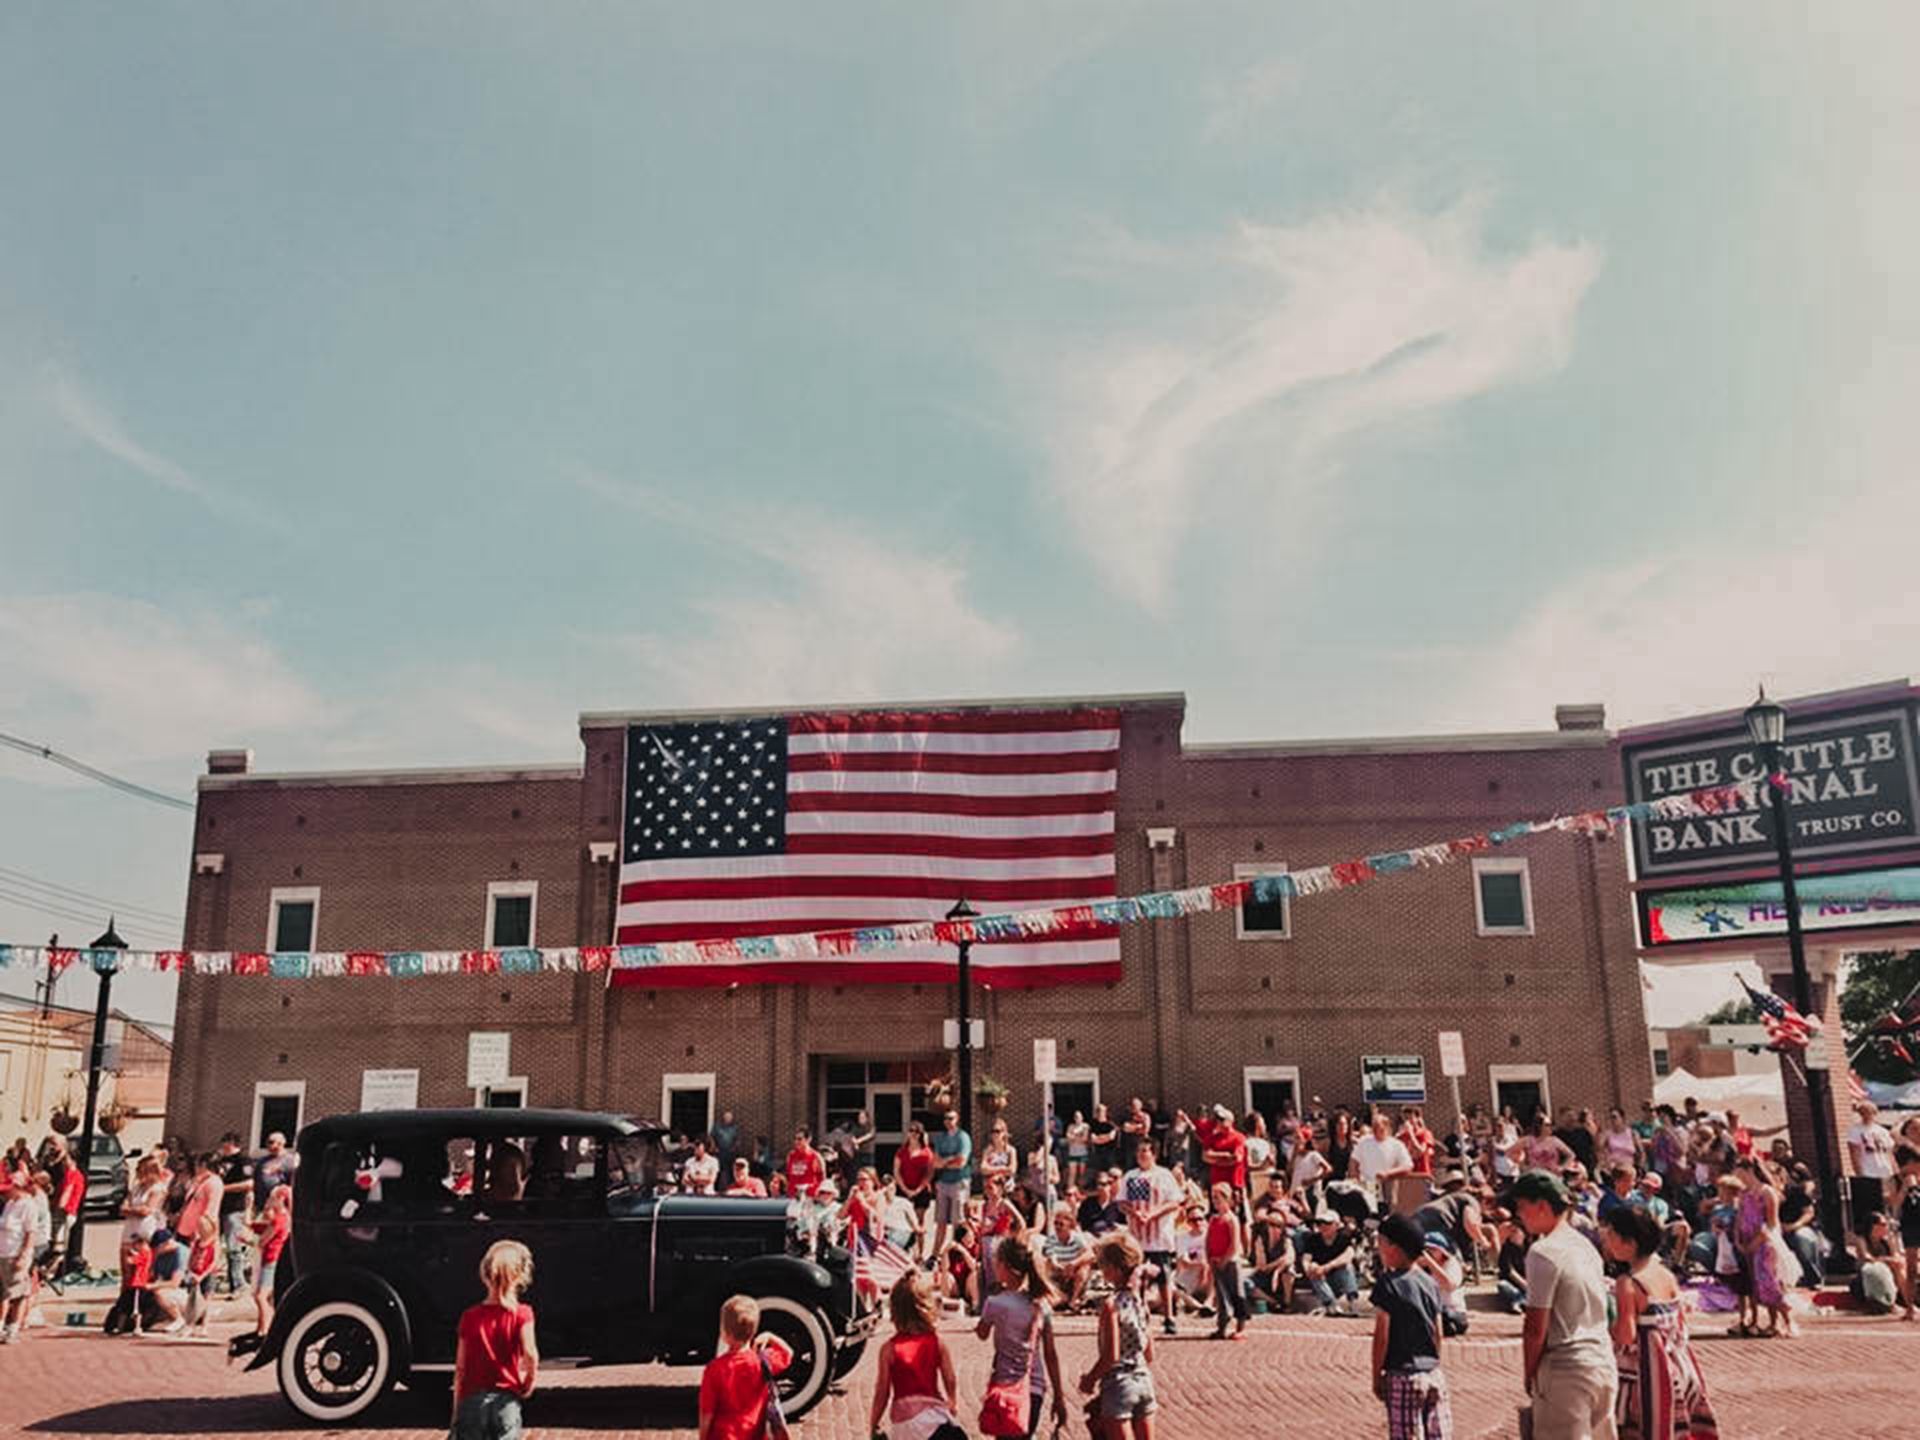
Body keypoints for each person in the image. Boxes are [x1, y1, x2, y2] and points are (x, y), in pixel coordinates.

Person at [1514, 1169, 1617, 1440]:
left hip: (1566, 1368)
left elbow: (1535, 1327)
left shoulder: (1543, 1252)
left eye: (1522, 1207)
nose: (1519, 1215)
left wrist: (1531, 1375)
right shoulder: (1585, 1246)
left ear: (1543, 1206)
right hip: (1602, 1362)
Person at [1599, 1206, 1717, 1439]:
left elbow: (1626, 1335)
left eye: (1612, 1234)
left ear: (1629, 1242)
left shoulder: (1629, 1283)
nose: (1607, 1240)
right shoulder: (1665, 1274)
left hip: (1647, 1378)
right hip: (1680, 1370)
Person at [977, 1233, 1068, 1440]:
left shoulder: (995, 1303)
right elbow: (1051, 1354)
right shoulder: (1041, 1305)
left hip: (1005, 1386)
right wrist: (1059, 1396)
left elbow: (982, 1333)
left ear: (1005, 1267)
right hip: (1034, 1386)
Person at [1371, 1212, 1453, 1440]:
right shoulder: (1430, 1283)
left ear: (1394, 1248)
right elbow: (1438, 1331)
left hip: (1402, 1374)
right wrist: (1435, 1362)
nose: (1379, 1249)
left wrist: (1376, 1376)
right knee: (1439, 1434)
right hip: (1433, 1373)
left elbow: (1382, 1336)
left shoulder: (1387, 1284)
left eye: (1381, 1243)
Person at [1078, 1231, 1157, 1440]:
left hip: (1119, 1384)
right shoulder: (1140, 1302)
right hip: (1143, 1380)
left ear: (1113, 1269)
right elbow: (1149, 1354)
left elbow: (1110, 1355)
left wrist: (1090, 1379)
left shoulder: (1111, 1305)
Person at [868, 1271, 959, 1440]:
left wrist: (874, 1422)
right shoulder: (937, 1343)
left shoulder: (889, 1349)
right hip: (932, 1415)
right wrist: (952, 1400)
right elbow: (950, 1377)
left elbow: (882, 1391)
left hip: (905, 1422)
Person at [699, 1294, 792, 1440]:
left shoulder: (714, 1369)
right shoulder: (763, 1361)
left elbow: (707, 1412)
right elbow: (788, 1353)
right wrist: (770, 1336)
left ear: (725, 1334)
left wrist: (703, 1437)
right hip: (755, 1434)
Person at [1122, 1137, 1182, 1337]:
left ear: (1153, 1154)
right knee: (1137, 1276)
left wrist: (1153, 1214)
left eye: (1146, 1151)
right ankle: (1140, 1313)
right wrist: (1134, 1213)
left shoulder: (1164, 1175)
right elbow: (1121, 1202)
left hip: (1158, 1236)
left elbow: (1174, 1202)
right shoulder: (1130, 1176)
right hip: (1137, 1236)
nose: (1142, 1154)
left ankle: (1169, 1317)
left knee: (1163, 1276)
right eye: (1139, 1151)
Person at [1732, 1158, 1799, 1338]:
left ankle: (1788, 1320)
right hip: (1748, 1241)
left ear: (1748, 1170)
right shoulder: (1744, 1193)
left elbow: (1771, 1222)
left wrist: (1758, 1240)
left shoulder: (1766, 1192)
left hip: (1765, 1243)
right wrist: (1738, 1238)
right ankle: (1772, 1322)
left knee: (1769, 1282)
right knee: (1757, 1285)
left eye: (1738, 1170)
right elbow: (1740, 1216)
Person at [929, 1109, 973, 1263]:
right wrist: (950, 1160)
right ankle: (935, 1255)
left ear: (957, 1119)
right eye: (946, 1118)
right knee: (940, 1222)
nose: (948, 1121)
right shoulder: (940, 1138)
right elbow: (935, 1163)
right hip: (943, 1182)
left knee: (957, 1220)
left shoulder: (963, 1137)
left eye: (951, 1118)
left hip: (959, 1181)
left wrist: (945, 1162)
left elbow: (961, 1162)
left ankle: (957, 1254)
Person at [1205, 1182, 1247, 1340]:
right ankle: (1221, 1326)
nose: (1215, 1201)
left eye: (1218, 1198)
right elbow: (1208, 1240)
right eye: (1213, 1198)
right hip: (1215, 1261)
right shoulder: (1213, 1219)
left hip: (1230, 1262)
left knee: (1236, 1293)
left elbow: (1234, 1243)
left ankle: (1240, 1326)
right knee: (1221, 1295)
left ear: (1227, 1198)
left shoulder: (1232, 1219)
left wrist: (1225, 1259)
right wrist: (1209, 1256)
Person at [214, 1131, 255, 1293]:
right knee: (214, 1246)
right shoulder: (219, 1161)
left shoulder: (243, 1161)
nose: (222, 1145)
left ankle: (237, 1284)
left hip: (233, 1208)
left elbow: (248, 1183)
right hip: (218, 1208)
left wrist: (223, 1188)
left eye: (225, 1142)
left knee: (233, 1248)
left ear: (232, 1143)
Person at [251, 1183, 292, 1340]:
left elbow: (263, 1241)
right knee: (267, 1297)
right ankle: (262, 1326)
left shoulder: (279, 1220)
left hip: (271, 1258)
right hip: (273, 1258)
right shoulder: (285, 1218)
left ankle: (265, 1329)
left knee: (261, 1296)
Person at [1848, 1211, 1909, 1317]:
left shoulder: (1887, 1240)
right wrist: (1887, 1260)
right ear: (1874, 1226)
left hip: (1889, 1274)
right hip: (1866, 1279)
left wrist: (1891, 1242)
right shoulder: (1862, 1240)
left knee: (1899, 1266)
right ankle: (1896, 1303)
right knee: (1883, 1269)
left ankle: (1907, 1301)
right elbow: (1867, 1258)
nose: (1886, 1227)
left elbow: (1896, 1256)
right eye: (1883, 1225)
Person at [1302, 1208, 1360, 1317]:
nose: (1323, 1226)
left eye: (1327, 1223)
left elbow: (1348, 1255)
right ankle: (1331, 1304)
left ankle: (1353, 1302)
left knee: (1347, 1267)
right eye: (1320, 1223)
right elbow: (1306, 1259)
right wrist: (1309, 1268)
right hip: (1321, 1280)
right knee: (1313, 1269)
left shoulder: (1344, 1239)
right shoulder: (1313, 1239)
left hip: (1339, 1278)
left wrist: (1326, 1267)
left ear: (1337, 1225)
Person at [1847, 1102, 1895, 1229]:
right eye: (1864, 1112)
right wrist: (1859, 1173)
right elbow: (1854, 1153)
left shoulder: (1883, 1131)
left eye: (1870, 1112)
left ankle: (1891, 1229)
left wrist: (1895, 1170)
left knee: (1889, 1203)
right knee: (1874, 1206)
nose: (1867, 1115)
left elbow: (1890, 1153)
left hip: (1885, 1171)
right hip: (1869, 1172)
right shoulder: (1856, 1131)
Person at [1043, 1206, 1096, 1311]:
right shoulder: (1051, 1239)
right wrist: (1057, 1265)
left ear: (1069, 1226)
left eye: (1061, 1224)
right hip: (1058, 1274)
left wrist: (1074, 1263)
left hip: (1074, 1274)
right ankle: (1062, 1298)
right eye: (1056, 1223)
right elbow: (1051, 1256)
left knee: (1085, 1267)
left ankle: (1073, 1299)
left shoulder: (1077, 1238)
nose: (1057, 1227)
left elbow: (1091, 1254)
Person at [0, 1176, 33, 1343]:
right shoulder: (10, 1204)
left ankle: (13, 1328)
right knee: (5, 1291)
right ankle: (3, 1326)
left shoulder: (28, 1205)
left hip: (16, 1252)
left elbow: (30, 1233)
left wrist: (24, 1255)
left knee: (18, 1292)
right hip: (3, 1252)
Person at [893, 1122, 934, 1252]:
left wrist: (917, 1190)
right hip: (904, 1189)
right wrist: (905, 1189)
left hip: (921, 1191)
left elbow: (929, 1174)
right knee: (903, 1222)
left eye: (917, 1132)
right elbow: (896, 1171)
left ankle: (920, 1253)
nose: (913, 1134)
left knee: (918, 1222)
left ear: (921, 1134)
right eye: (911, 1131)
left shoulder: (927, 1153)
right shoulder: (901, 1151)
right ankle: (905, 1250)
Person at [1247, 1199, 1295, 1312]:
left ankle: (1287, 1304)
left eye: (1278, 1225)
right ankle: (1272, 1302)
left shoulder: (1286, 1240)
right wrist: (1277, 1264)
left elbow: (1289, 1258)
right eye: (1270, 1224)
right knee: (1244, 1283)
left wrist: (1277, 1272)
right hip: (1264, 1275)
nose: (1273, 1228)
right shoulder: (1260, 1240)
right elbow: (1262, 1266)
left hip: (1279, 1277)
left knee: (1289, 1271)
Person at [182, 1211, 221, 1338]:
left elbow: (214, 1262)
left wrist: (202, 1275)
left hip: (207, 1274)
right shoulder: (197, 1242)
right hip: (195, 1273)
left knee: (207, 1300)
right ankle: (190, 1325)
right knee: (192, 1301)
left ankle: (205, 1327)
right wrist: (190, 1271)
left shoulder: (214, 1242)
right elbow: (191, 1257)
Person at [1897, 1144, 1920, 1319]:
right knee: (1911, 1268)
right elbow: (1894, 1206)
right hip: (1910, 1226)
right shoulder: (1896, 1179)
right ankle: (1910, 1306)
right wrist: (1905, 1188)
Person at [784, 1127, 826, 1200]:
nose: (796, 1142)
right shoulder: (791, 1156)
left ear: (808, 1139)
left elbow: (822, 1180)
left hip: (809, 1198)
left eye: (799, 1139)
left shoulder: (815, 1157)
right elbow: (788, 1176)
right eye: (795, 1139)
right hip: (793, 1197)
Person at [1079, 1171, 1126, 1236]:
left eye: (1108, 1183)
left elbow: (1126, 1226)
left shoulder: (1118, 1205)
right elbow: (1080, 1224)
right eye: (1101, 1184)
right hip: (1091, 1238)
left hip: (1112, 1239)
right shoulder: (1088, 1203)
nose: (1103, 1187)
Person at [1066, 1110, 1092, 1193]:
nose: (1077, 1118)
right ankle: (1070, 1190)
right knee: (1072, 1172)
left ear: (1082, 1118)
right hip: (1072, 1152)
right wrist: (1078, 1138)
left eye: (1079, 1116)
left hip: (1082, 1153)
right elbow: (1068, 1138)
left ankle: (1081, 1190)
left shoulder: (1085, 1126)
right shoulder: (1070, 1126)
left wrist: (1074, 1138)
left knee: (1081, 1173)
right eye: (1076, 1117)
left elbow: (1085, 1139)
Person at [712, 1108, 742, 1178]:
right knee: (719, 1170)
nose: (727, 1119)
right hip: (719, 1152)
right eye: (726, 1117)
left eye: (729, 1117)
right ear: (723, 1117)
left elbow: (738, 1139)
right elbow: (712, 1137)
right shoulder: (717, 1127)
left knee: (730, 1170)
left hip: (730, 1152)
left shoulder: (735, 1128)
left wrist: (734, 1148)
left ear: (732, 1118)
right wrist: (714, 1147)